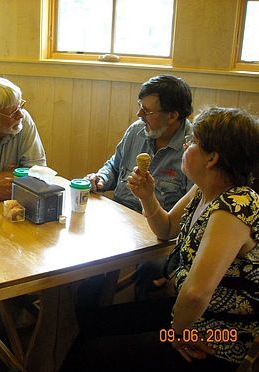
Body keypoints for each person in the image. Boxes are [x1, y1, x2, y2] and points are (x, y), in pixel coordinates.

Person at [60, 107, 258, 372]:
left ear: (212, 158)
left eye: (193, 143)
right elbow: (165, 229)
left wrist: (178, 334)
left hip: (221, 335)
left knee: (97, 353)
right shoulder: (204, 190)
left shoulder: (236, 206)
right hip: (191, 317)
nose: (186, 146)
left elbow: (196, 293)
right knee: (93, 322)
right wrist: (147, 196)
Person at [80, 75, 194, 303]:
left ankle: (134, 329)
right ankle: (83, 323)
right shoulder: (137, 131)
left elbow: (189, 216)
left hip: (159, 236)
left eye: (147, 111)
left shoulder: (191, 150)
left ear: (173, 115)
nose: (139, 115)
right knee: (83, 257)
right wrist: (100, 178)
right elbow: (115, 163)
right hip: (119, 219)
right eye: (139, 107)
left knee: (151, 269)